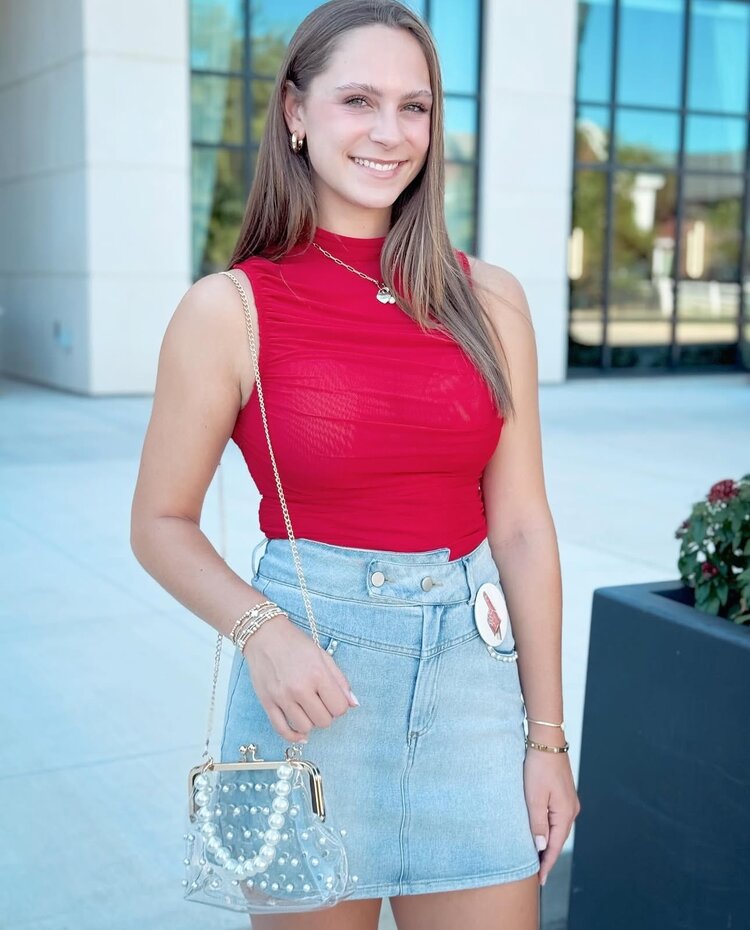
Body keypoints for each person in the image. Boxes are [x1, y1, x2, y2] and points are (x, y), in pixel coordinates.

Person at [130, 1, 580, 927]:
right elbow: (159, 524)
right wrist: (262, 632)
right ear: (296, 112)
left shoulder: (490, 299)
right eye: (359, 100)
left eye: (415, 107)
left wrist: (548, 738)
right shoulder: (229, 309)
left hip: (471, 689)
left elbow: (523, 529)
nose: (390, 132)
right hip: (306, 694)